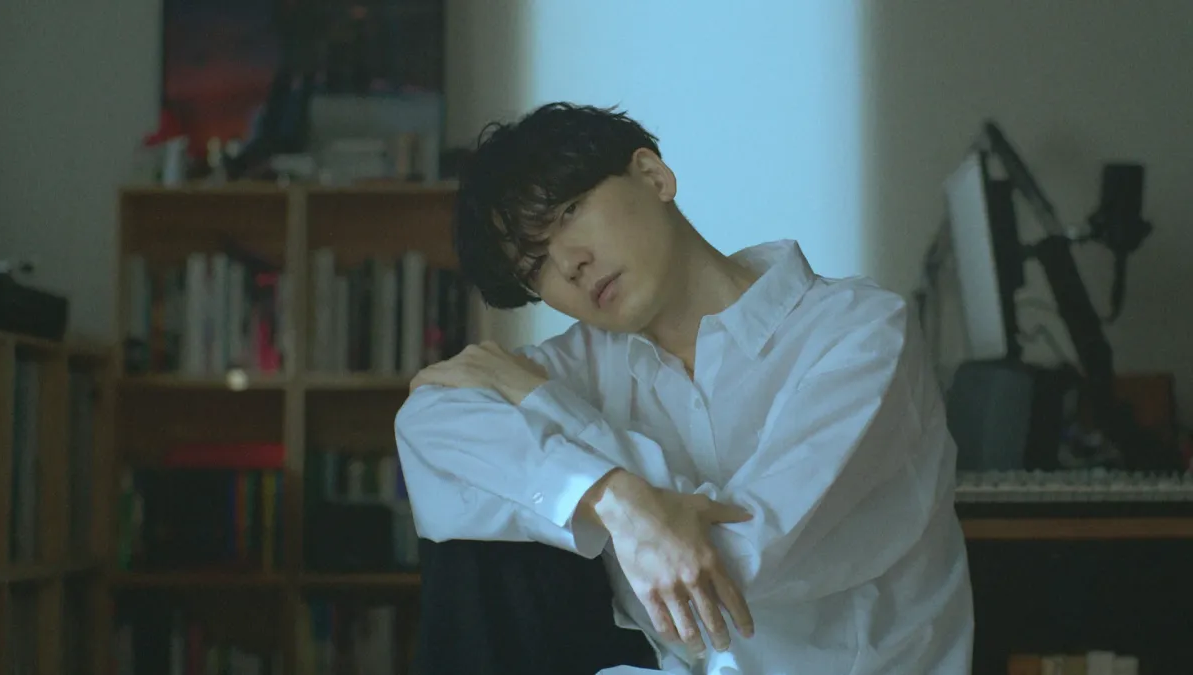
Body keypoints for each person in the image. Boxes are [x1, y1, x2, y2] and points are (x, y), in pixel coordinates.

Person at [394, 102, 975, 674]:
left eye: (569, 212)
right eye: (536, 265)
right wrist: (612, 498)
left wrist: (556, 418)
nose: (568, 264)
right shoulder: (588, 360)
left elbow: (738, 558)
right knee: (478, 523)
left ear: (653, 176)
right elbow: (429, 421)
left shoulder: (858, 332)